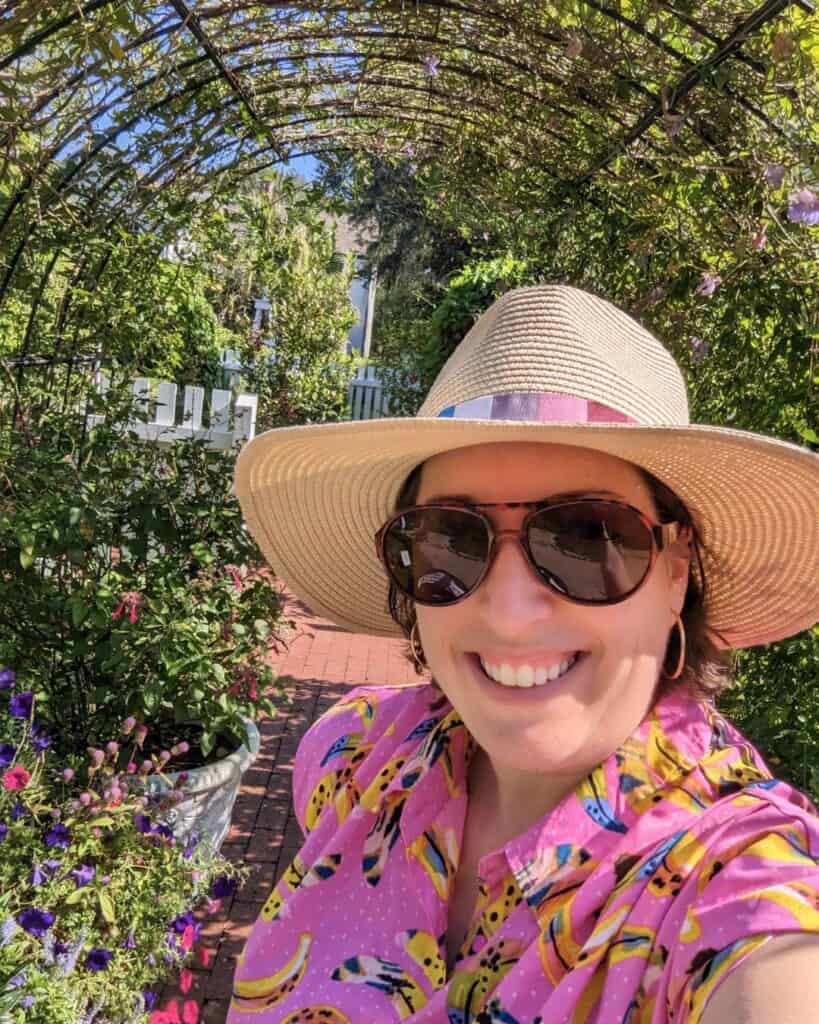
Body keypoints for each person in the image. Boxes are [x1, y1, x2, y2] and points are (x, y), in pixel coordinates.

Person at [230, 285, 819, 1023]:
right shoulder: (349, 757)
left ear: (674, 568)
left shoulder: (732, 877)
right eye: (448, 538)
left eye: (586, 536)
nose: (508, 615)